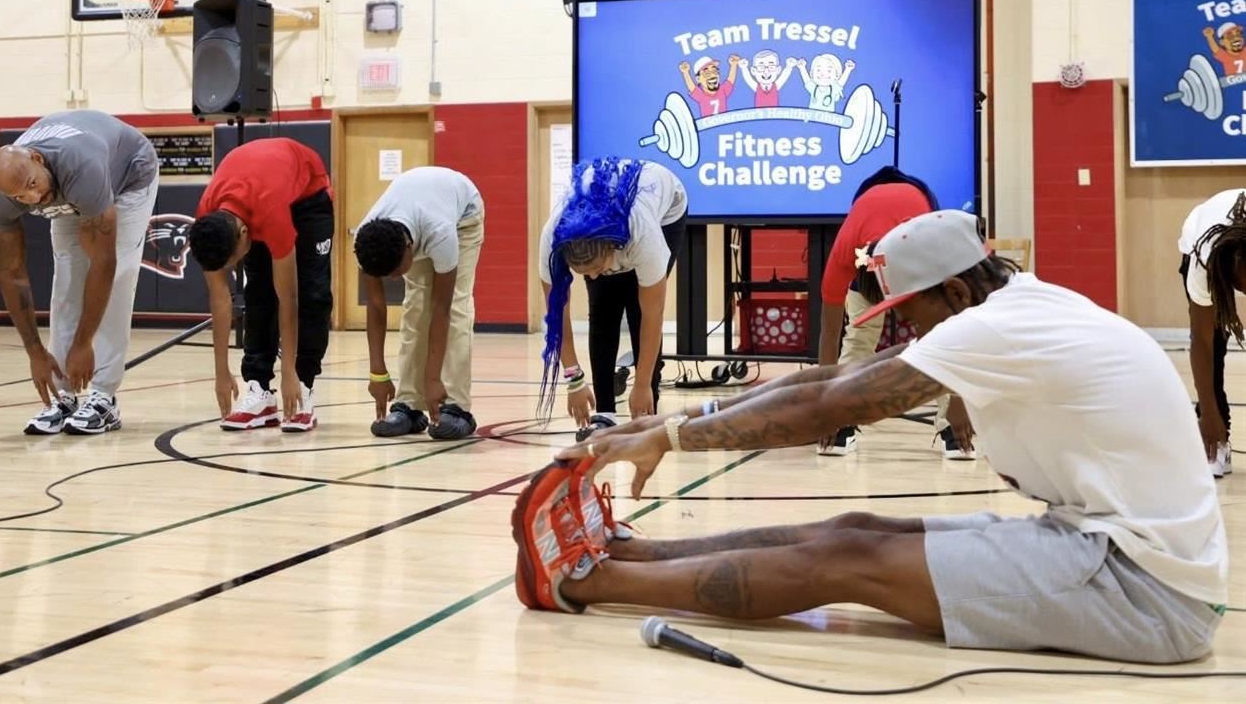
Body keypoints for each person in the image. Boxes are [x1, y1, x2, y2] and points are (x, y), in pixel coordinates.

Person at [512, 210, 1227, 665]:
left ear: (951, 291)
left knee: (849, 558)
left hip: (1146, 593)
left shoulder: (995, 328)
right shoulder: (1009, 305)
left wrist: (671, 439)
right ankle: (632, 553)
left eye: (907, 309)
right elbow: (819, 380)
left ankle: (582, 582)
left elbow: (827, 407)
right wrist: (664, 423)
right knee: (851, 524)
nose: (902, 326)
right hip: (1110, 547)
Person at [0, 111, 159, 437]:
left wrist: (84, 343)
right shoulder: (2, 199)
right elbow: (12, 272)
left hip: (130, 175)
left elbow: (104, 264)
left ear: (37, 159)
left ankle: (104, 398)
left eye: (32, 185)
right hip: (68, 188)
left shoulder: (82, 167)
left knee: (118, 274)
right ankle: (63, 394)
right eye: (21, 196)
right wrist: (35, 352)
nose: (33, 199)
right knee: (67, 276)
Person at [813, 167, 971, 458]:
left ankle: (950, 424)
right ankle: (844, 420)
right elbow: (829, 334)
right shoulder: (844, 254)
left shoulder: (930, 245)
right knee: (859, 336)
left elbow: (956, 331)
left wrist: (960, 400)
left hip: (915, 221)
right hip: (870, 231)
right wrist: (828, 409)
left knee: (937, 333)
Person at [190, 137, 332, 434]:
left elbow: (289, 298)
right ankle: (258, 389)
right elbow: (220, 299)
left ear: (244, 233)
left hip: (308, 195)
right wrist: (220, 372)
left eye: (233, 261)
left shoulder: (271, 214)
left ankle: (303, 386)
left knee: (312, 293)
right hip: (259, 187)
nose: (231, 268)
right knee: (258, 293)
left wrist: (290, 372)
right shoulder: (208, 217)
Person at [539, 157, 687, 442]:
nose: (592, 276)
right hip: (604, 233)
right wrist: (574, 381)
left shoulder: (643, 236)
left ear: (613, 247)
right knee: (602, 307)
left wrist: (642, 384)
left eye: (596, 268)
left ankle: (647, 409)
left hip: (667, 210)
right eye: (584, 273)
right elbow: (557, 319)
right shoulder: (553, 240)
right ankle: (605, 413)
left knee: (637, 308)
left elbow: (653, 314)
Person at [353, 166, 484, 440]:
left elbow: (442, 308)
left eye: (397, 272)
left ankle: (457, 407)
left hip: (464, 217)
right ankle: (410, 406)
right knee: (415, 307)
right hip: (418, 212)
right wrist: (377, 373)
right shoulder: (367, 240)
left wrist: (433, 378)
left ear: (409, 248)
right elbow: (376, 308)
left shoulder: (440, 233)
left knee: (457, 306)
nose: (392, 278)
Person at [1180, 187, 1246, 478]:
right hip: (1200, 241)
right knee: (1216, 344)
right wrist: (1208, 414)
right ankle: (1216, 440)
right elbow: (1202, 343)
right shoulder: (1205, 263)